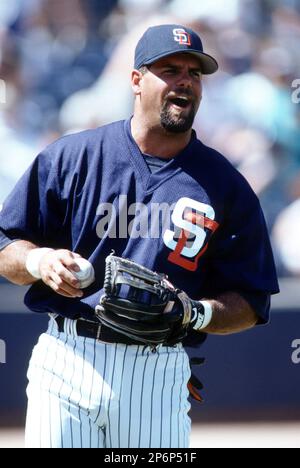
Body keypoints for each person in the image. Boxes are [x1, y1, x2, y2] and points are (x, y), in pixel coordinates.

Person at [0, 24, 279, 449]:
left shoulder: (225, 185)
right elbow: (5, 243)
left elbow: (251, 300)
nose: (184, 80)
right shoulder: (74, 156)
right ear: (135, 80)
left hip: (158, 367)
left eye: (194, 72)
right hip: (68, 355)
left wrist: (193, 313)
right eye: (170, 69)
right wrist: (40, 262)